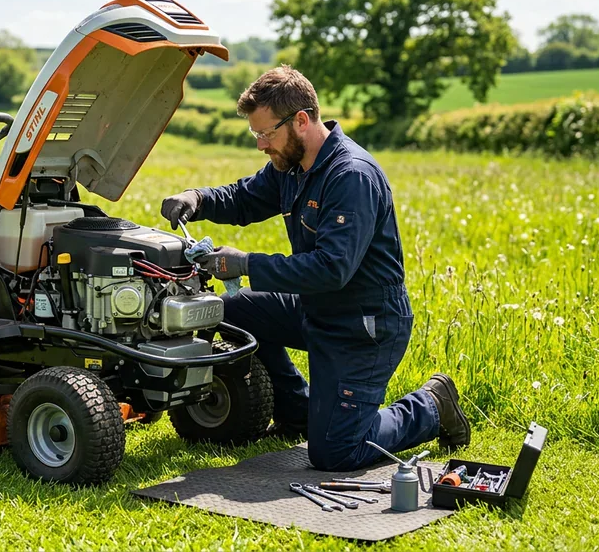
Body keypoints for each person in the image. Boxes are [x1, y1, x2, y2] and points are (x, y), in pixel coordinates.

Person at [161, 66, 469, 470]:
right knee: (234, 310)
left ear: (301, 121)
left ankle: (431, 405)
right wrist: (196, 198)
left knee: (337, 452)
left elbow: (330, 269)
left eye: (266, 134)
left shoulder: (351, 176)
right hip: (318, 308)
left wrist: (246, 263)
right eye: (256, 135)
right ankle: (296, 412)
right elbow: (244, 198)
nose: (260, 145)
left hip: (363, 325)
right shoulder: (291, 167)